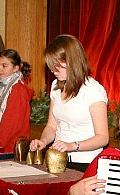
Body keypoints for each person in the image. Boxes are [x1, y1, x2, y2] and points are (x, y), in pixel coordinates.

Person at [29, 34, 109, 172]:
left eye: (57, 66)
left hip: (85, 163)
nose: (53, 71)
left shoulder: (93, 90)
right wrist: (43, 141)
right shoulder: (56, 86)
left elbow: (103, 138)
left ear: (72, 61)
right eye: (51, 66)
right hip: (58, 158)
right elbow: (51, 126)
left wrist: (73, 145)